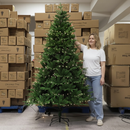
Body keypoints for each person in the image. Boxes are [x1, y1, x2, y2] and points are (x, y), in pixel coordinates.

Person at [75, 33, 106, 126]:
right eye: (89, 38)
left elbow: (103, 65)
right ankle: (93, 115)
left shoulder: (100, 51)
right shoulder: (85, 48)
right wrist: (73, 35)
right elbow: (76, 43)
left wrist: (102, 77)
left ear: (96, 40)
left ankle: (99, 117)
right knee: (90, 98)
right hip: (87, 76)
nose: (90, 40)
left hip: (97, 76)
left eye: (92, 38)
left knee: (97, 98)